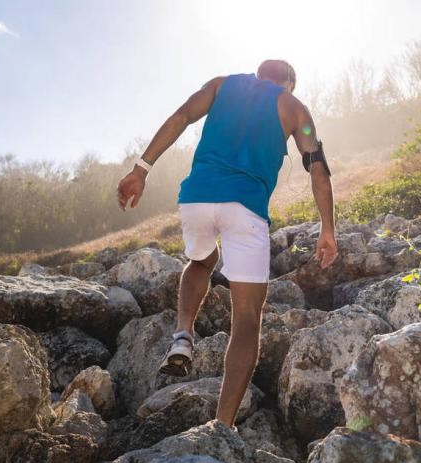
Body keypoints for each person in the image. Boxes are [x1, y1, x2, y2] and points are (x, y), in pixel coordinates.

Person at [115, 60, 339, 429]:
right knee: (247, 318)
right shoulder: (294, 107)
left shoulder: (221, 85)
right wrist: (327, 228)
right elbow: (318, 168)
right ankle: (222, 425)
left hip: (197, 200)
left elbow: (180, 117)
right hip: (245, 208)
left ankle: (183, 336)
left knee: (201, 261)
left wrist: (140, 168)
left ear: (257, 74)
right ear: (290, 83)